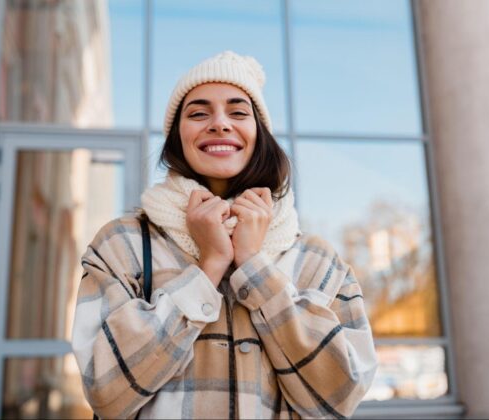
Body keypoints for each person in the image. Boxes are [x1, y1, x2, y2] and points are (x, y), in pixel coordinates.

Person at [72, 51, 377, 419]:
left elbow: (339, 396)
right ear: (176, 137)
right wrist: (209, 266)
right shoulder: (121, 245)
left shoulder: (318, 259)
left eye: (238, 112)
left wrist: (253, 266)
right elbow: (105, 393)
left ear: (259, 134)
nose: (219, 124)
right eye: (199, 113)